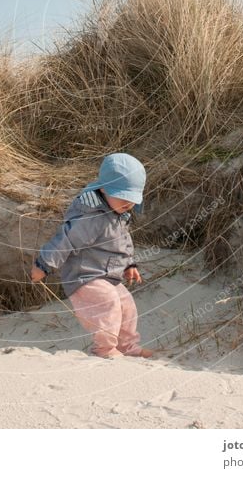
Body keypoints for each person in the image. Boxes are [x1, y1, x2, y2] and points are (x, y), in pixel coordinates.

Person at [30, 152, 154, 359]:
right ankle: (104, 350)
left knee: (127, 304)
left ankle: (128, 347)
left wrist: (129, 265)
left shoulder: (119, 212)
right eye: (122, 197)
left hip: (107, 274)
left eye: (132, 199)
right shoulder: (90, 215)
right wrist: (43, 265)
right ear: (104, 189)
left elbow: (122, 240)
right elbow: (66, 240)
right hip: (84, 274)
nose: (128, 204)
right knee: (109, 303)